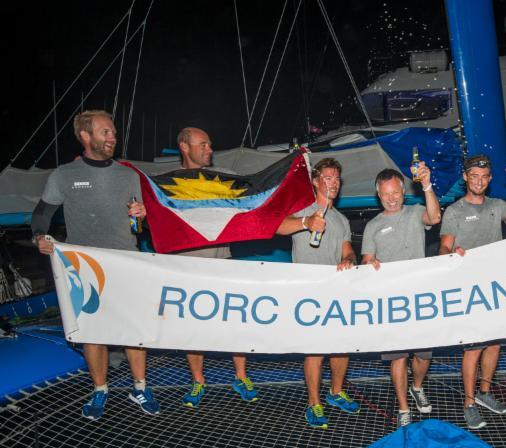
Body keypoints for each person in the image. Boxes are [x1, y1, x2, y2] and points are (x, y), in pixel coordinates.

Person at [31, 110, 160, 420]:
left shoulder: (128, 176)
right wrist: (39, 237)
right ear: (85, 136)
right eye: (105, 132)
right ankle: (100, 389)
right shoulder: (63, 175)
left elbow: (136, 227)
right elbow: (41, 215)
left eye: (113, 131)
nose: (112, 136)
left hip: (126, 261)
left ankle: (139, 386)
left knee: (134, 329)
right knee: (93, 332)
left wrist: (141, 216)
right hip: (84, 266)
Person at [439, 154, 506, 430]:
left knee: (494, 343)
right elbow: (444, 247)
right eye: (474, 176)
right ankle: (469, 404)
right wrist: (451, 253)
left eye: (484, 176)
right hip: (469, 288)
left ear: (490, 179)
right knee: (473, 349)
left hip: (496, 287)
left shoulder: (497, 205)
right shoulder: (454, 211)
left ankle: (484, 393)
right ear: (466, 178)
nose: (479, 181)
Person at [172, 127, 259, 408]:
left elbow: (253, 199)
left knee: (234, 320)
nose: (210, 149)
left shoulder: (222, 179)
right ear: (185, 147)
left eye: (210, 144)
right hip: (188, 264)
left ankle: (241, 376)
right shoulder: (168, 183)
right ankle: (198, 381)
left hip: (223, 261)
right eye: (204, 144)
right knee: (193, 327)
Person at [279, 158, 360, 429]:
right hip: (308, 294)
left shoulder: (340, 219)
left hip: (336, 291)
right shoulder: (302, 209)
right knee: (315, 351)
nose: (333, 183)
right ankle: (314, 403)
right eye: (327, 178)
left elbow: (347, 249)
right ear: (315, 181)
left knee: (341, 346)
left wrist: (349, 259)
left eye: (336, 178)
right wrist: (305, 222)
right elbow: (277, 227)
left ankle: (335, 393)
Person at [362, 165, 442, 427]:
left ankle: (416, 387)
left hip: (420, 297)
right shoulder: (373, 226)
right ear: (378, 194)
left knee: (423, 355)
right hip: (391, 301)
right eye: (386, 194)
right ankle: (403, 407)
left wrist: (427, 185)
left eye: (396, 192)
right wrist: (369, 263)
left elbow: (435, 217)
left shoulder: (416, 212)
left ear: (403, 191)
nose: (392, 198)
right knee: (398, 356)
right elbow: (367, 259)